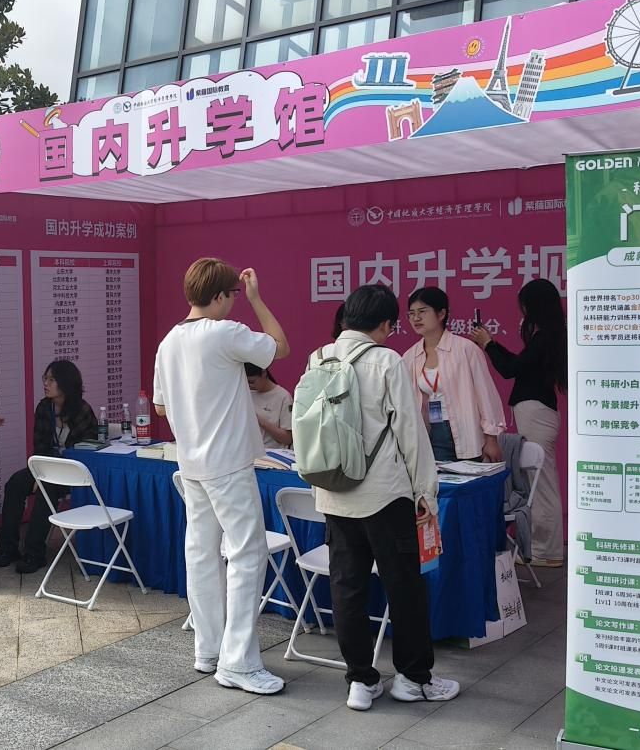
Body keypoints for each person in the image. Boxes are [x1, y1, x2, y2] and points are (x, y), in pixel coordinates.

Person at [312, 284, 459, 711]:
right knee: (404, 587)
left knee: (347, 588)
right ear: (383, 324)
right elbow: (410, 431)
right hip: (384, 495)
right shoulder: (387, 361)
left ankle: (360, 680)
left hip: (333, 493)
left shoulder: (318, 358)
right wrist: (425, 490)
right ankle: (413, 679)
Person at [153, 258, 289, 696]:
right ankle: (239, 662)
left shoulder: (168, 342)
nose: (235, 302)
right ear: (218, 296)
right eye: (231, 295)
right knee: (248, 554)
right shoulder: (224, 333)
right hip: (227, 463)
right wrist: (257, 298)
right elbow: (280, 347)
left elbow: (160, 407)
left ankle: (208, 649)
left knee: (201, 553)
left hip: (191, 462)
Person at [469, 278, 567, 567]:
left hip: (537, 413)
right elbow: (517, 366)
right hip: (537, 412)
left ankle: (546, 550)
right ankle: (541, 547)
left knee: (542, 482)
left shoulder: (545, 337)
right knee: (540, 480)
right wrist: (491, 344)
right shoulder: (548, 336)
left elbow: (510, 369)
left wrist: (488, 344)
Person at [0, 360, 98, 574]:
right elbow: (40, 447)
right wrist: (40, 475)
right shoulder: (44, 407)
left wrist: (45, 478)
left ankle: (34, 553)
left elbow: (85, 452)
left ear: (65, 383)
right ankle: (8, 547)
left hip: (73, 471)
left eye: (51, 379)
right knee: (15, 483)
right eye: (45, 378)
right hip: (45, 465)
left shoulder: (82, 411)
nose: (46, 383)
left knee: (46, 489)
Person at [403, 287, 505, 463]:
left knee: (468, 479)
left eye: (422, 312)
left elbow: (485, 395)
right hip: (431, 433)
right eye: (411, 314)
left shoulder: (465, 349)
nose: (416, 318)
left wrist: (491, 438)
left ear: (441, 314)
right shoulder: (410, 356)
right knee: (441, 480)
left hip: (466, 431)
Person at [244, 363, 292, 449]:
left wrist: (260, 420)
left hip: (271, 453)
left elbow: (287, 439)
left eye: (252, 382)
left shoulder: (283, 397)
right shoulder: (245, 393)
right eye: (245, 382)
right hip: (247, 451)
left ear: (264, 373)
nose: (249, 386)